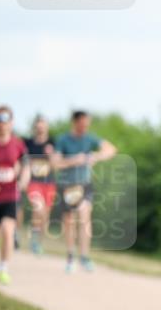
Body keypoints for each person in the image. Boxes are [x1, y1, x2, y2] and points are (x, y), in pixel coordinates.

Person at [50, 110, 117, 272]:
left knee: (84, 216)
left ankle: (85, 256)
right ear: (75, 122)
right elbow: (55, 163)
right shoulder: (63, 140)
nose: (85, 127)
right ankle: (70, 256)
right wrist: (74, 160)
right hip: (67, 185)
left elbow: (111, 150)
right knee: (69, 221)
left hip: (84, 184)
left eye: (87, 124)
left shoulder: (90, 138)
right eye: (82, 124)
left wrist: (95, 157)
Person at [0, 106, 29, 285]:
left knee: (8, 230)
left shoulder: (18, 144)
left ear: (11, 122)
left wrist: (23, 182)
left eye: (5, 121)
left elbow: (25, 166)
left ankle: (3, 268)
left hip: (10, 195)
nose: (2, 125)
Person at [24, 115, 56, 254]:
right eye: (38, 125)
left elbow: (56, 164)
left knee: (45, 215)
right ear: (35, 127)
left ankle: (38, 242)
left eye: (43, 125)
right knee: (38, 209)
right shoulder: (28, 143)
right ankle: (34, 239)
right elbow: (23, 160)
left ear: (47, 127)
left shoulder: (53, 143)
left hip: (49, 183)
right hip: (33, 182)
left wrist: (51, 154)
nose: (40, 128)